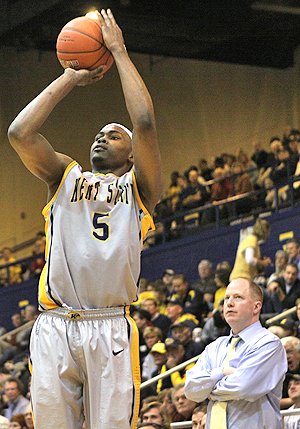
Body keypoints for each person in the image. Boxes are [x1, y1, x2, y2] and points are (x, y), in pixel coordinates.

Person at [7, 9, 163, 429]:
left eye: (113, 135)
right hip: (55, 324)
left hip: (109, 328)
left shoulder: (140, 190)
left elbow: (145, 121)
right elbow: (20, 133)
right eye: (99, 133)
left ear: (131, 155)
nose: (101, 137)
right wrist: (71, 77)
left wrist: (119, 51)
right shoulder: (64, 175)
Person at [184, 278, 287, 429]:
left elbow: (242, 387)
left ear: (256, 307)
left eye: (238, 297)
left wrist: (208, 390)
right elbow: (190, 389)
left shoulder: (269, 343)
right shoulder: (215, 347)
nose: (229, 303)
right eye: (227, 298)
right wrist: (222, 372)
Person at [229, 217, 272, 281]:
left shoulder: (254, 242)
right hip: (240, 278)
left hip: (244, 279)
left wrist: (263, 263)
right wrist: (262, 262)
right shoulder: (251, 240)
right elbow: (249, 260)